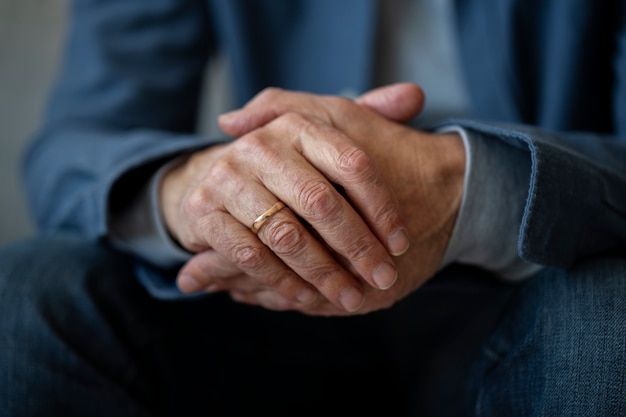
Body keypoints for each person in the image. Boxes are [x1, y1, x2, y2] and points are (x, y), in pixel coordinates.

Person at [1, 0, 625, 415]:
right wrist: (203, 189)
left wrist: (469, 182)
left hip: (535, 275)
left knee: (607, 318)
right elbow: (77, 139)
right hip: (266, 304)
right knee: (25, 291)